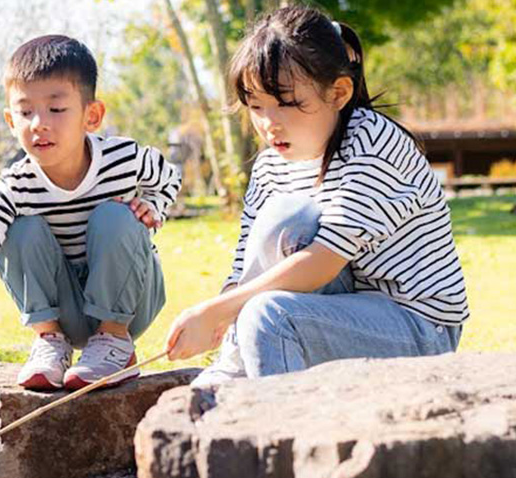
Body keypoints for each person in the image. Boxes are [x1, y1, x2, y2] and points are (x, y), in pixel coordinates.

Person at [165, 5, 468, 392]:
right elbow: (248, 261)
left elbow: (324, 261)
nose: (268, 122)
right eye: (256, 105)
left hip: (418, 325)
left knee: (269, 316)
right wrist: (224, 320)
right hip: (342, 305)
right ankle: (238, 364)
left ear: (338, 92)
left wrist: (216, 312)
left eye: (287, 103)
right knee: (278, 234)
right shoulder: (270, 164)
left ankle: (278, 432)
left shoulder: (372, 142)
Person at [0, 35, 180, 391]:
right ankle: (51, 342)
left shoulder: (124, 159)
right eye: (25, 111)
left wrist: (153, 206)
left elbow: (169, 178)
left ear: (91, 115)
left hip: (131, 303)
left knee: (112, 217)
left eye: (56, 109)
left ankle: (115, 344)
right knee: (17, 230)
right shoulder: (16, 185)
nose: (39, 123)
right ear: (10, 120)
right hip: (65, 310)